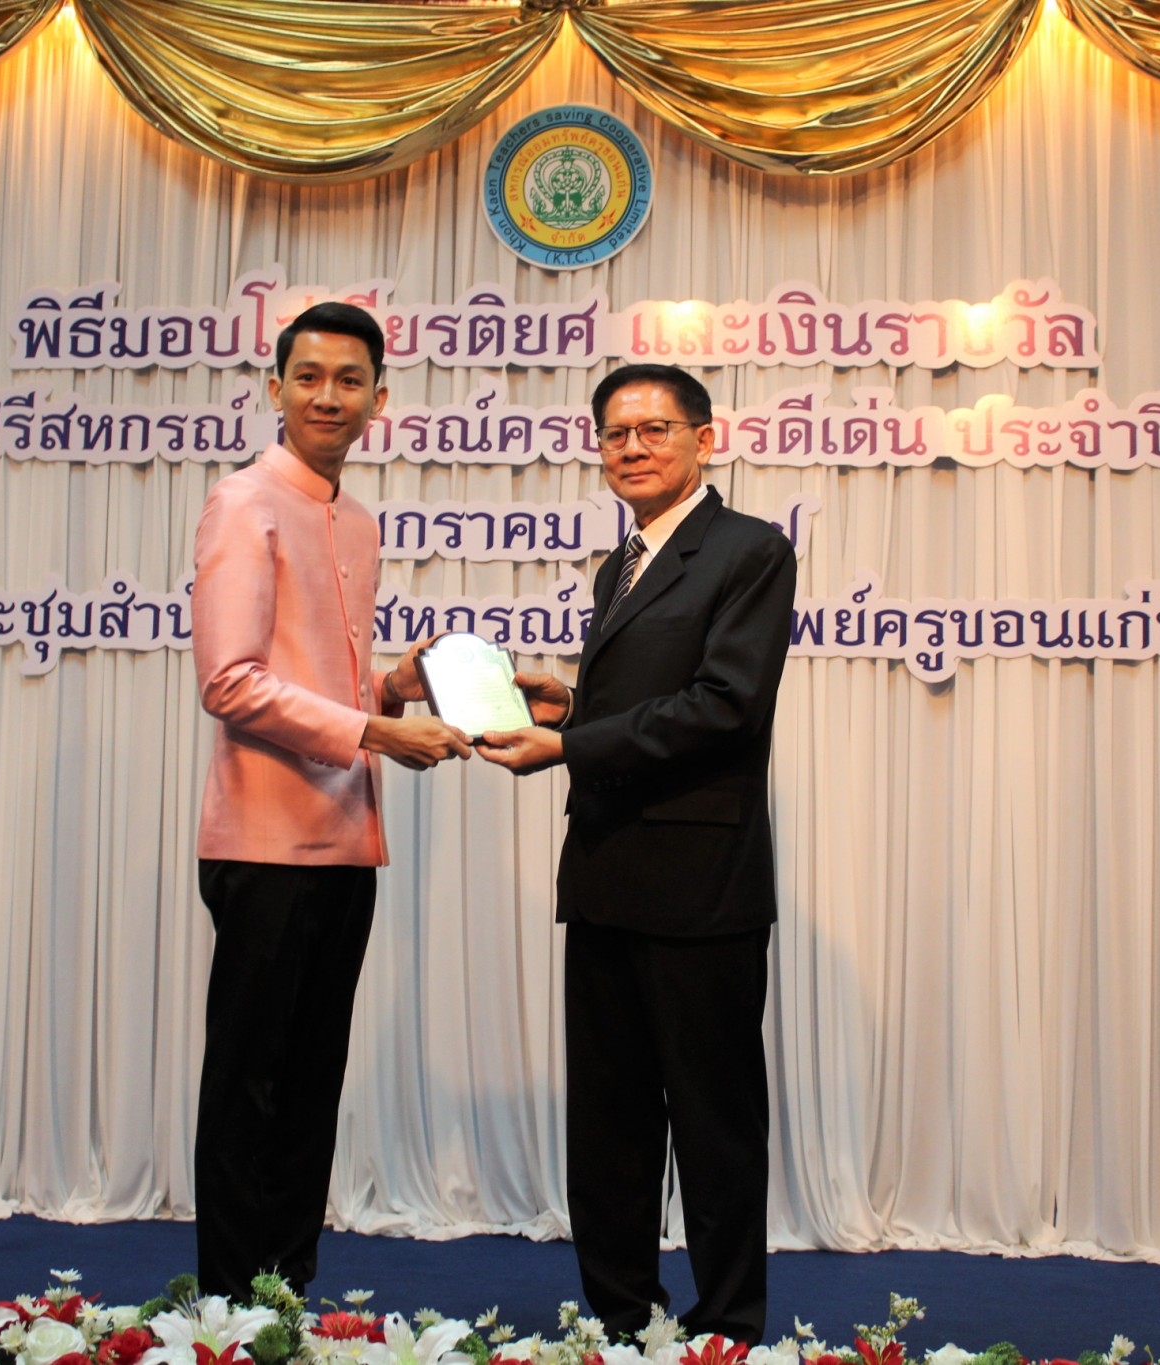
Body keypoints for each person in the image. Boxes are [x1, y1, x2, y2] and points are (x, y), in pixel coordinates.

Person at [478, 363, 796, 1344]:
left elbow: (723, 705)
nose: (632, 448)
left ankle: (727, 1324)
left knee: (713, 1121)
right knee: (607, 1120)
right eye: (615, 433)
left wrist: (570, 745)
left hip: (701, 885)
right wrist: (569, 708)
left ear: (705, 438)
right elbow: (649, 705)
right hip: (605, 871)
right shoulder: (618, 564)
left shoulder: (748, 549)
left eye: (654, 429)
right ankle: (621, 1319)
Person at [191, 300, 472, 1299]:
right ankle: (227, 1313)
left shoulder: (356, 520)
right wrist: (377, 733)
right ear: (275, 389)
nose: (327, 396)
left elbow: (320, 677)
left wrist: (392, 689)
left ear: (377, 401)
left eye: (349, 380)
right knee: (251, 1088)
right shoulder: (243, 502)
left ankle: (284, 1298)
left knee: (312, 1087)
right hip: (264, 842)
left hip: (347, 842)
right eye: (307, 377)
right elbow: (230, 681)